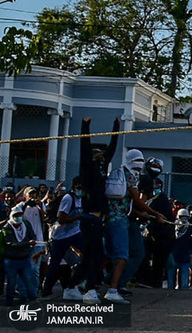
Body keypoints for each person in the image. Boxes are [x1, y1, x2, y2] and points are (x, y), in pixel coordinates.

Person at [104, 148, 166, 303]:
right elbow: (138, 201)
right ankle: (113, 287)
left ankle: (98, 283)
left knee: (111, 254)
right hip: (121, 219)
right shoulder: (132, 177)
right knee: (123, 255)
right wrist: (155, 214)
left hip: (112, 217)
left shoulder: (119, 173)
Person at [73, 116, 120, 304]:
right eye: (97, 155)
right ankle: (90, 290)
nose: (101, 156)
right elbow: (84, 147)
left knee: (89, 257)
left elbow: (112, 149)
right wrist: (85, 126)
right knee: (97, 255)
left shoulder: (102, 170)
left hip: (97, 220)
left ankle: (70, 287)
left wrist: (116, 127)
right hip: (89, 218)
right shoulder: (87, 169)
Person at [41, 177, 84, 298]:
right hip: (61, 235)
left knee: (89, 254)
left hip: (75, 232)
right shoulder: (68, 198)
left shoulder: (81, 199)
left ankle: (76, 284)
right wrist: (79, 217)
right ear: (74, 187)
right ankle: (46, 290)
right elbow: (62, 219)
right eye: (79, 188)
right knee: (55, 263)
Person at [2, 204, 38, 306]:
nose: (18, 217)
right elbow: (10, 243)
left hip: (24, 258)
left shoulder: (26, 224)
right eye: (16, 215)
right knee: (11, 282)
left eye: (20, 215)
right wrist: (27, 243)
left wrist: (32, 241)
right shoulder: (7, 227)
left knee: (28, 280)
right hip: (11, 260)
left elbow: (32, 235)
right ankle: (9, 302)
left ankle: (31, 301)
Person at [145, 177, 175, 289]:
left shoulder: (159, 198)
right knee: (159, 264)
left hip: (159, 236)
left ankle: (153, 283)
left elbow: (147, 207)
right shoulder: (163, 199)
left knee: (157, 263)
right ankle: (156, 283)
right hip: (163, 236)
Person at [20, 186, 47, 290]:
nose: (32, 196)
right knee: (25, 267)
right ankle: (23, 289)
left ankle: (34, 290)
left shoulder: (40, 206)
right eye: (29, 194)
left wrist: (40, 206)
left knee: (35, 268)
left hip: (38, 242)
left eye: (34, 194)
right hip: (25, 242)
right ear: (25, 196)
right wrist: (24, 205)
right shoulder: (21, 206)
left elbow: (46, 219)